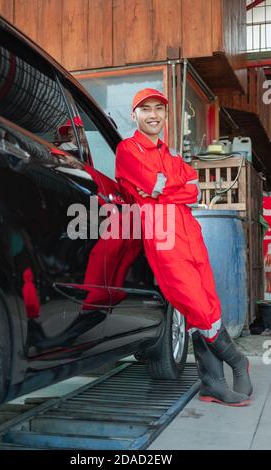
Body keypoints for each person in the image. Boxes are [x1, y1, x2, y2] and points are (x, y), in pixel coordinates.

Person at [115, 88, 253, 406]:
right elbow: (154, 187)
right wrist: (165, 186)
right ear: (134, 115)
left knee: (207, 303)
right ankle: (237, 362)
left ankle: (212, 383)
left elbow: (191, 189)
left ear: (165, 114)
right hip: (162, 235)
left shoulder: (172, 154)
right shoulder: (128, 150)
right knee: (195, 304)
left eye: (159, 109)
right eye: (145, 109)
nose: (153, 115)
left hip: (190, 232)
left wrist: (167, 187)